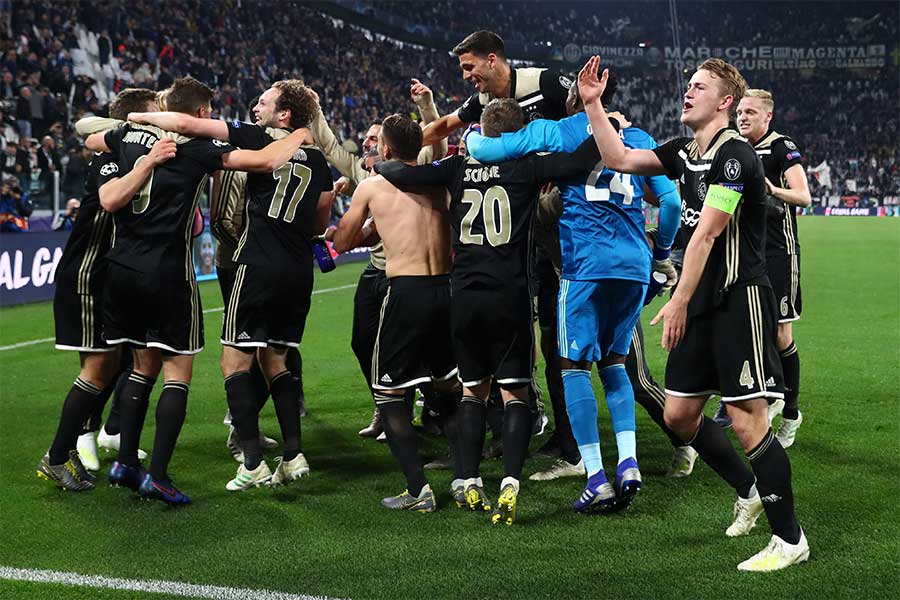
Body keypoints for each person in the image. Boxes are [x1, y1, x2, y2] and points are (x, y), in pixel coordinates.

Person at [579, 55, 808, 571]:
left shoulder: (737, 156)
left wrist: (678, 299)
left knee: (748, 421)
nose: (688, 92)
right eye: (688, 84)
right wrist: (593, 104)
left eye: (699, 87)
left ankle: (790, 538)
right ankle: (750, 488)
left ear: (725, 101)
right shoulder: (684, 151)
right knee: (679, 415)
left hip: (739, 299)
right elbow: (618, 157)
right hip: (700, 298)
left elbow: (707, 232)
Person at [84, 76, 313, 504]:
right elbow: (265, 161)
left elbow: (91, 137)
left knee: (141, 367)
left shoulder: (126, 139)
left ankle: (126, 462)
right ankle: (158, 476)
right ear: (202, 113)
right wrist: (301, 133)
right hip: (167, 271)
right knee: (178, 372)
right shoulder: (199, 150)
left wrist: (132, 126)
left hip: (121, 266)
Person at [465, 71, 686, 511]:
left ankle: (596, 477)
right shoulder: (638, 137)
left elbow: (486, 149)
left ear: (573, 100)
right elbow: (672, 203)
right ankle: (629, 463)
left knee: (572, 368)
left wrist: (471, 132)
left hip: (585, 265)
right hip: (633, 266)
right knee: (616, 364)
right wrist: (661, 251)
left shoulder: (556, 130)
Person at [375, 99, 602, 523]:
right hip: (511, 295)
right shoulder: (528, 166)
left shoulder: (457, 166)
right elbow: (583, 158)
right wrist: (602, 119)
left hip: (464, 295)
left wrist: (378, 163)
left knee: (472, 391)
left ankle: (470, 478)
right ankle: (511, 482)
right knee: (515, 394)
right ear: (519, 134)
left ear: (482, 130)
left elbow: (404, 174)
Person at [306, 80, 446, 440]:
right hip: (377, 269)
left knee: (413, 349)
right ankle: (385, 407)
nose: (368, 142)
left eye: (375, 138)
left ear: (387, 144)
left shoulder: (412, 166)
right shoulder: (362, 173)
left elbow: (438, 145)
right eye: (367, 138)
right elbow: (329, 146)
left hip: (407, 275)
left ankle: (424, 410)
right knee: (362, 341)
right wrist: (316, 110)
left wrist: (427, 106)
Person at [334, 115, 458, 513]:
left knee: (388, 393)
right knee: (448, 387)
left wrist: (352, 225)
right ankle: (465, 476)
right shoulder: (439, 182)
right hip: (447, 289)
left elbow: (343, 241)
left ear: (386, 148)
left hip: (407, 292)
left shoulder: (373, 185)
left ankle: (418, 489)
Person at [37, 88, 159, 491]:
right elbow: (109, 197)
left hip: (111, 279)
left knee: (118, 362)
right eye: (153, 114)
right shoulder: (109, 159)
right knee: (98, 368)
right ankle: (61, 454)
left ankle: (89, 440)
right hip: (87, 277)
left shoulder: (130, 154)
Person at [728, 89, 811, 447]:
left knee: (780, 335)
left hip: (779, 253)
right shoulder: (734, 148)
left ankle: (790, 413)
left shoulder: (780, 147)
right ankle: (764, 393)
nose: (742, 117)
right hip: (746, 253)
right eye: (739, 112)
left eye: (750, 112)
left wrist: (772, 189)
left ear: (767, 116)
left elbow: (804, 196)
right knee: (749, 329)